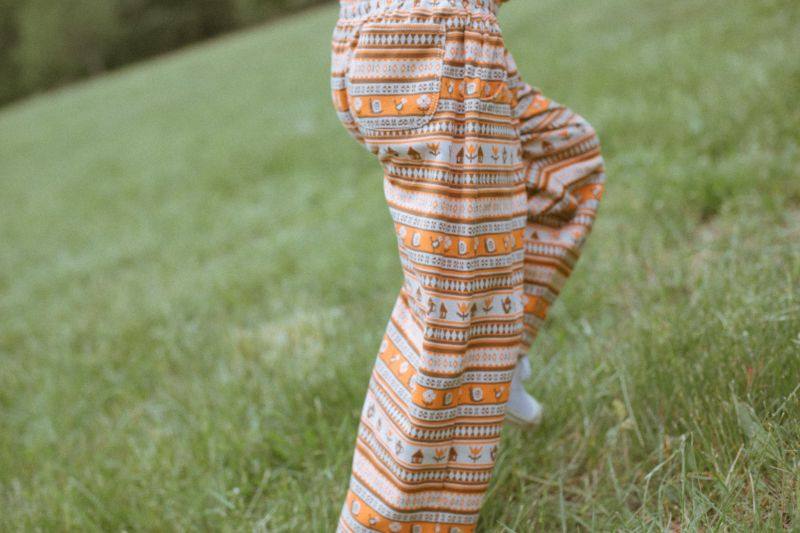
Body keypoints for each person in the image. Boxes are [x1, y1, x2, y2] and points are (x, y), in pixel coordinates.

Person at [330, 0, 606, 529]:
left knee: (561, 163)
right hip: (440, 47)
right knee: (456, 314)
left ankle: (498, 364)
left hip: (404, 32)